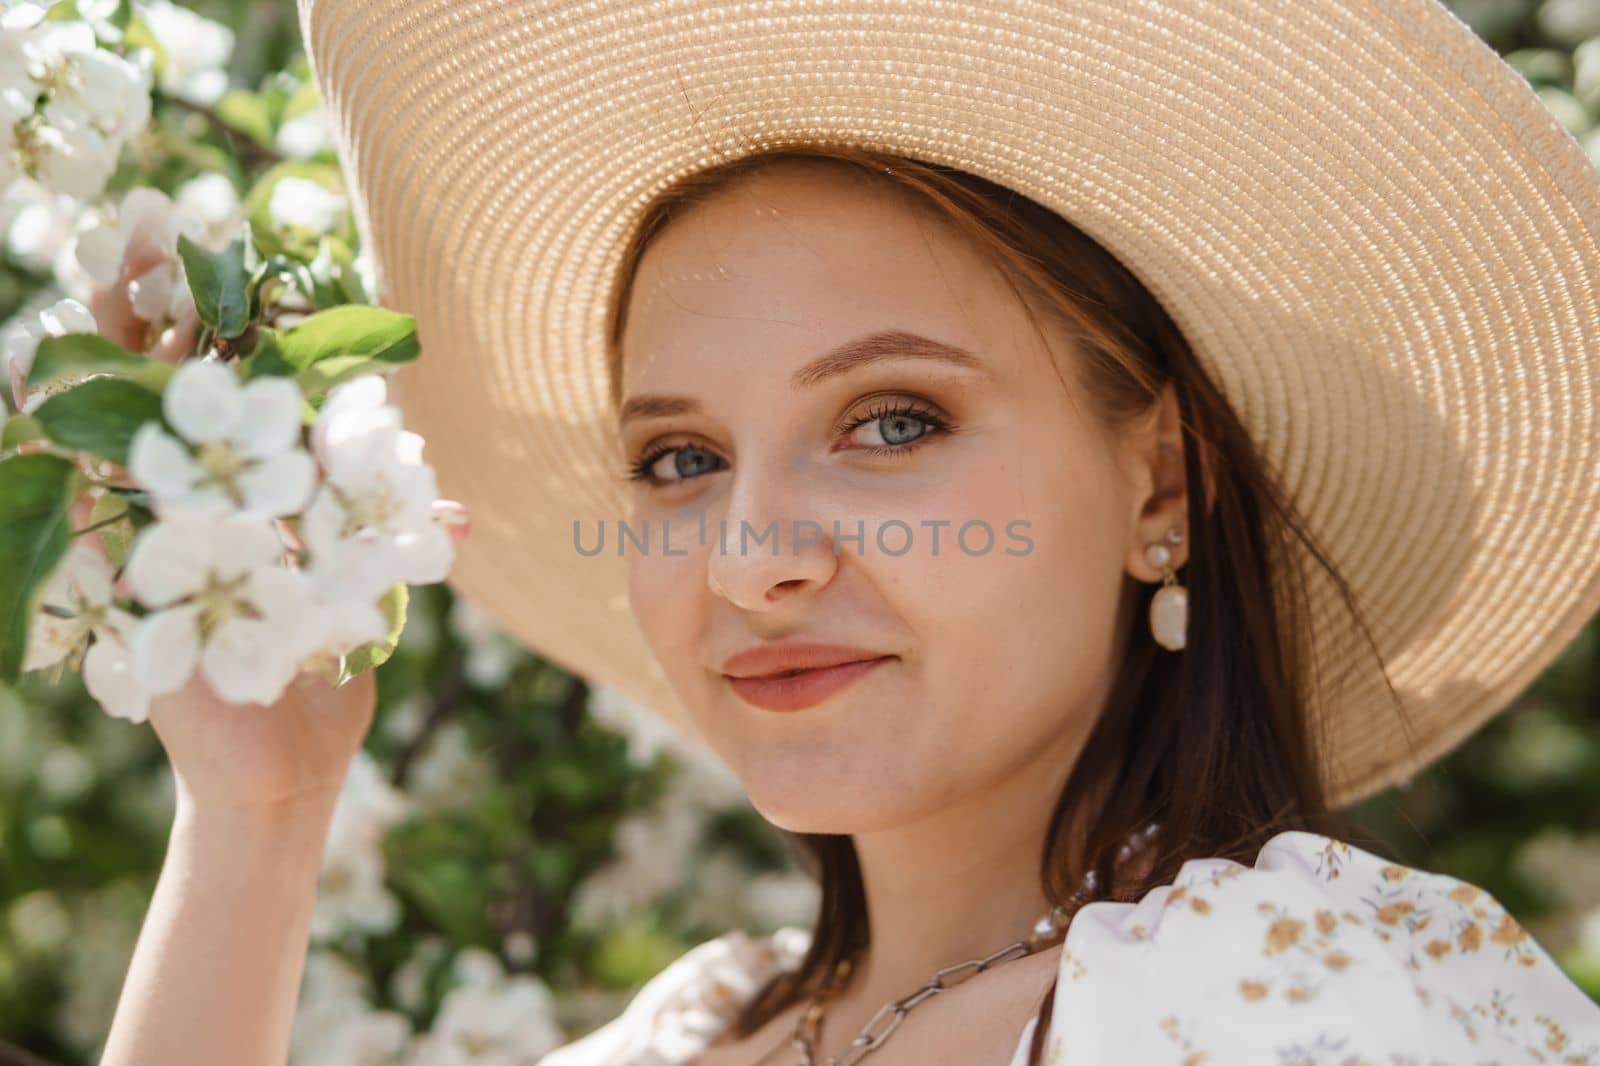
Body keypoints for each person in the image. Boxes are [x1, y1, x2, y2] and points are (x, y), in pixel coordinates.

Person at [100, 1, 1600, 1064]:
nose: (755, 555)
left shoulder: (1280, 999)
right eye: (679, 456)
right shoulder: (677, 1040)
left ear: (1161, 486)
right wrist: (257, 816)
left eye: (893, 421)